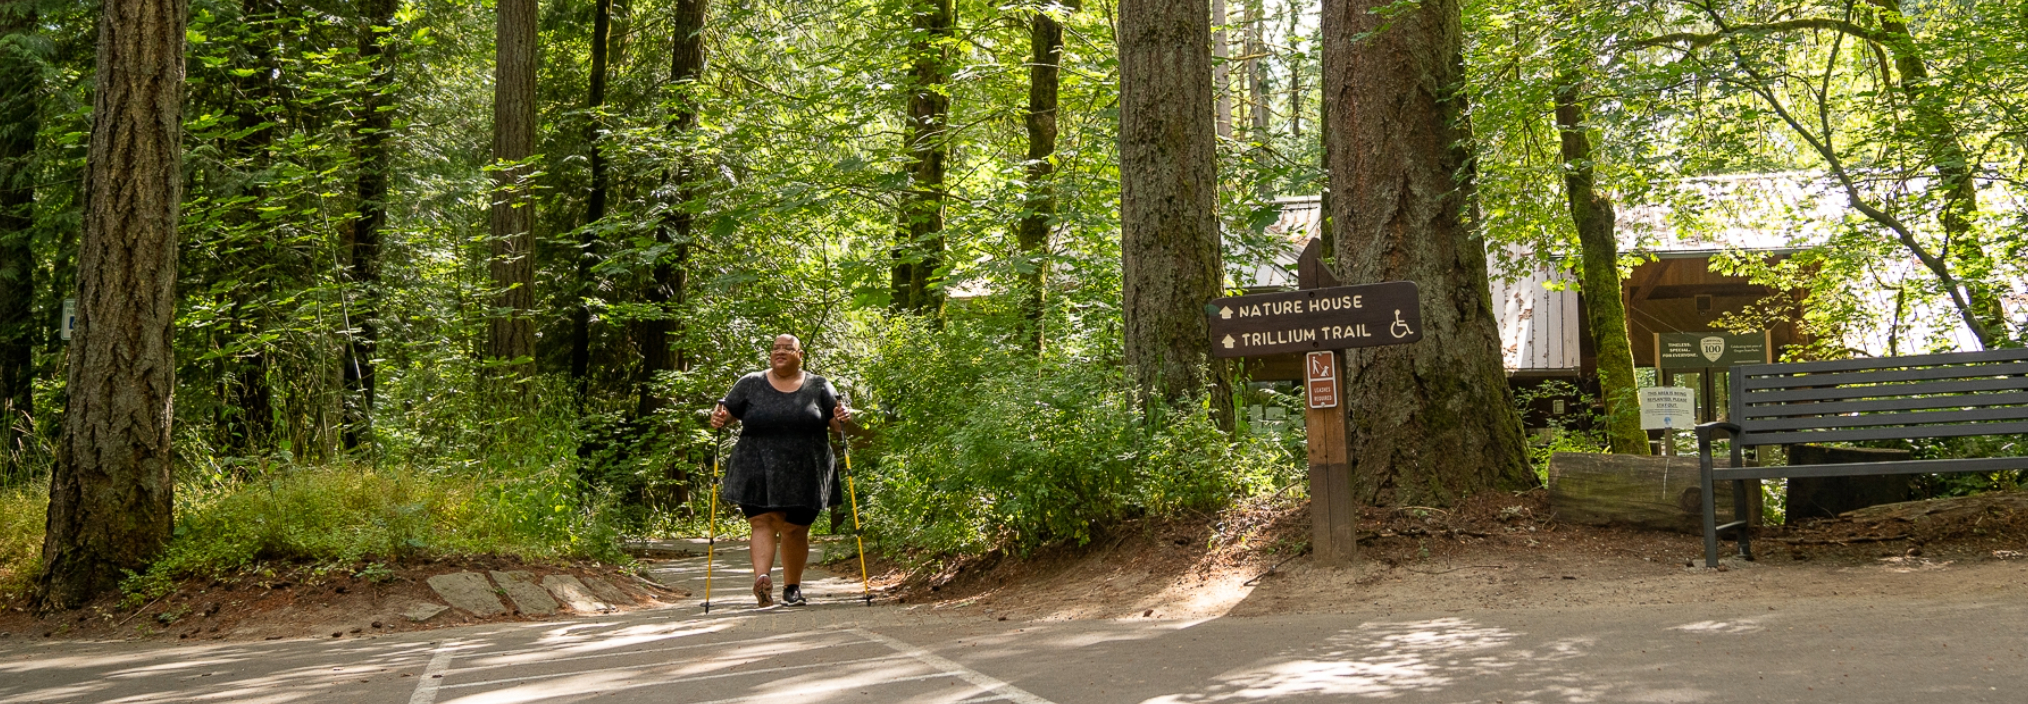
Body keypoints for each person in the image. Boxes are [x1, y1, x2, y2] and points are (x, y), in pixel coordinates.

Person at [710, 334, 850, 607]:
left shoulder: (818, 385)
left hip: (807, 469)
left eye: (788, 348)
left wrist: (843, 417)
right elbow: (726, 414)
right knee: (762, 520)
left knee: (795, 529)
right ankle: (762, 580)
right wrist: (718, 418)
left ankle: (791, 588)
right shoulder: (751, 383)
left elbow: (837, 423)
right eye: (776, 348)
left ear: (800, 356)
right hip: (756, 466)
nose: (780, 351)